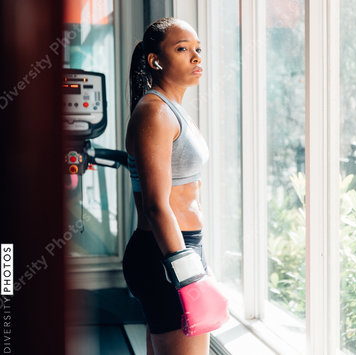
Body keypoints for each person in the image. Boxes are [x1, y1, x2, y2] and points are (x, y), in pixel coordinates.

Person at [122, 17, 211, 355]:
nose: (196, 57)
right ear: (155, 60)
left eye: (198, 49)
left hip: (180, 249)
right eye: (183, 48)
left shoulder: (172, 109)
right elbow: (156, 205)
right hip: (165, 253)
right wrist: (187, 271)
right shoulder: (154, 113)